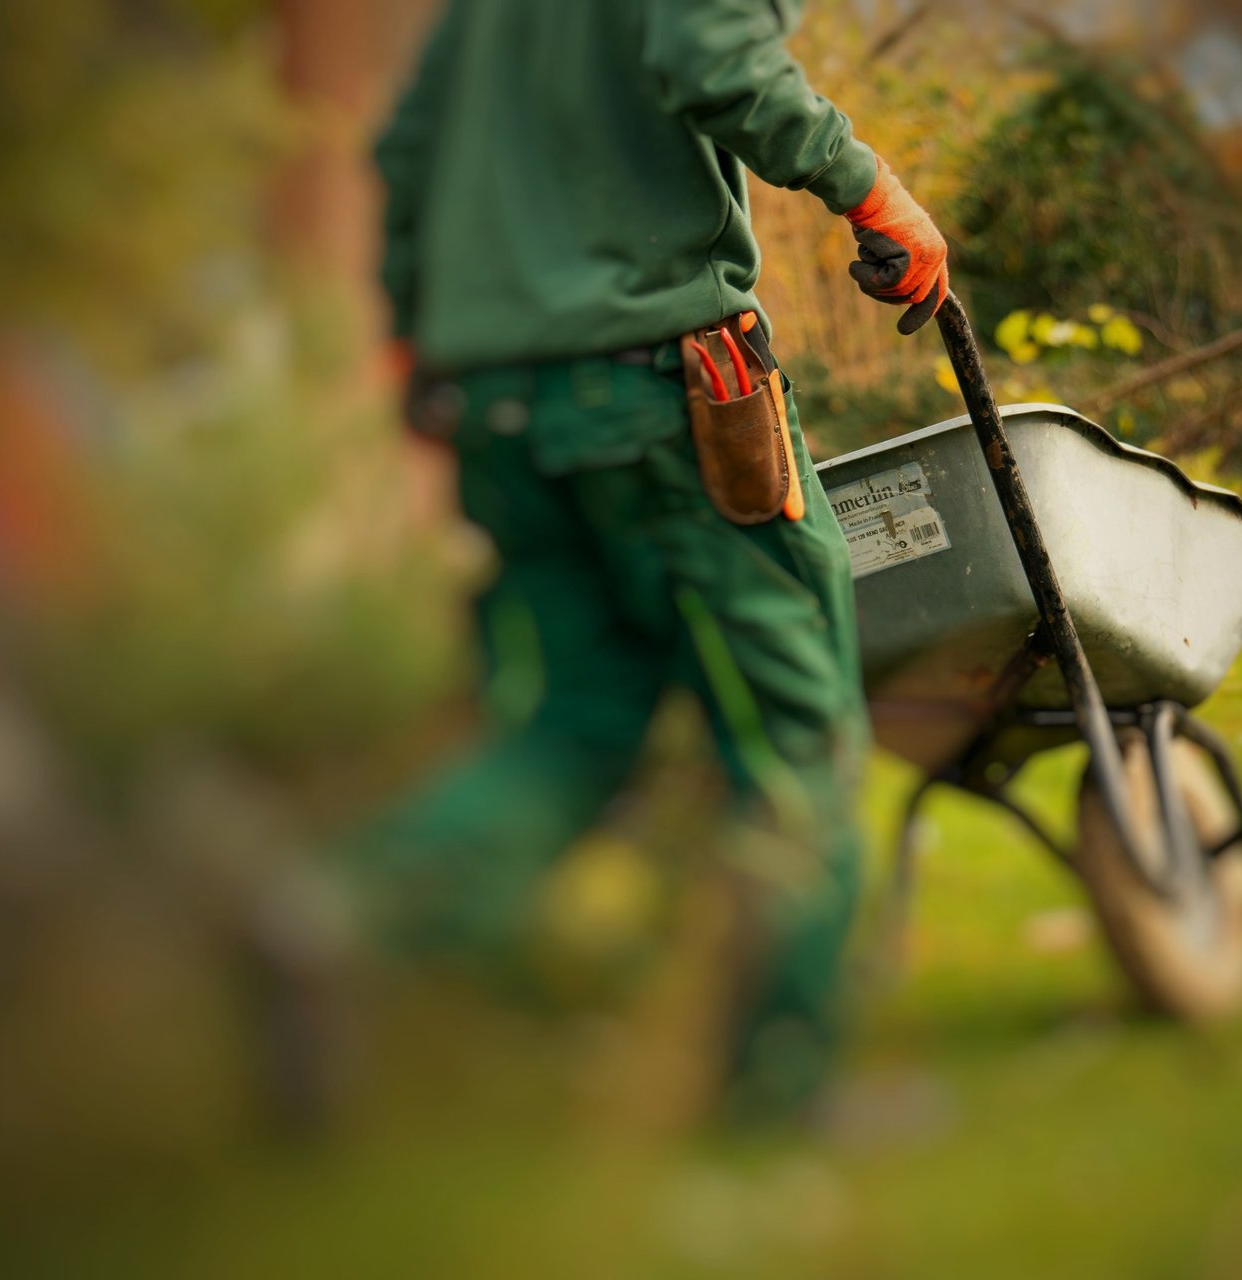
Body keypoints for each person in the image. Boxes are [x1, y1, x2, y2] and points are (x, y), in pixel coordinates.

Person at [360, 0, 951, 1121]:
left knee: (575, 717)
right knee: (792, 728)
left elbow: (405, 150)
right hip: (657, 392)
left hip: (495, 404)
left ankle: (345, 920)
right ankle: (784, 1087)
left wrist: (413, 337)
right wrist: (875, 191)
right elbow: (711, 51)